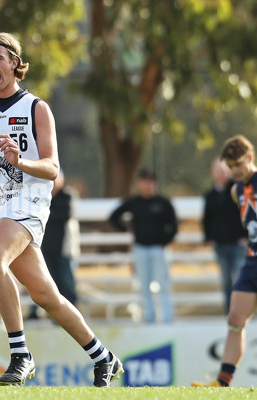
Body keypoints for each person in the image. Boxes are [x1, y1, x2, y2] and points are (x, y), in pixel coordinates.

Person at [0, 32, 123, 387]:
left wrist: (20, 161)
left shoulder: (37, 108)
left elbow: (53, 168)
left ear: (15, 63)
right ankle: (103, 356)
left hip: (28, 206)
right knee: (46, 295)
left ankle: (20, 354)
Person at [192, 135, 257, 388]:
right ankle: (222, 382)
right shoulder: (236, 190)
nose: (234, 171)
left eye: (238, 165)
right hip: (251, 261)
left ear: (250, 158)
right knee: (235, 319)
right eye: (231, 167)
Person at [108, 168, 178, 324]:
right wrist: (127, 228)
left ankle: (167, 318)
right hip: (140, 249)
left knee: (163, 284)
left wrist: (164, 242)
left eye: (151, 181)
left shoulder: (163, 202)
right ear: (139, 183)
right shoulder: (134, 202)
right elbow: (113, 217)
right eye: (145, 182)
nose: (148, 185)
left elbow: (173, 226)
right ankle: (149, 317)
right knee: (143, 285)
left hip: (159, 249)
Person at [28, 172, 80, 319]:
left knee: (66, 284)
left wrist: (44, 212)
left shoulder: (67, 195)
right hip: (45, 249)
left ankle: (72, 316)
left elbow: (65, 214)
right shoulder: (43, 195)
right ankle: (54, 318)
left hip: (64, 250)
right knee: (49, 285)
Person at [202, 159, 247, 314]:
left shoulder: (238, 190)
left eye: (223, 170)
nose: (221, 174)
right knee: (226, 281)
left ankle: (244, 311)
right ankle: (230, 312)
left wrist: (246, 236)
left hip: (238, 244)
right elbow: (207, 219)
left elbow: (247, 212)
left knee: (240, 279)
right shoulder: (210, 195)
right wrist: (209, 238)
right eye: (217, 171)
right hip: (221, 245)